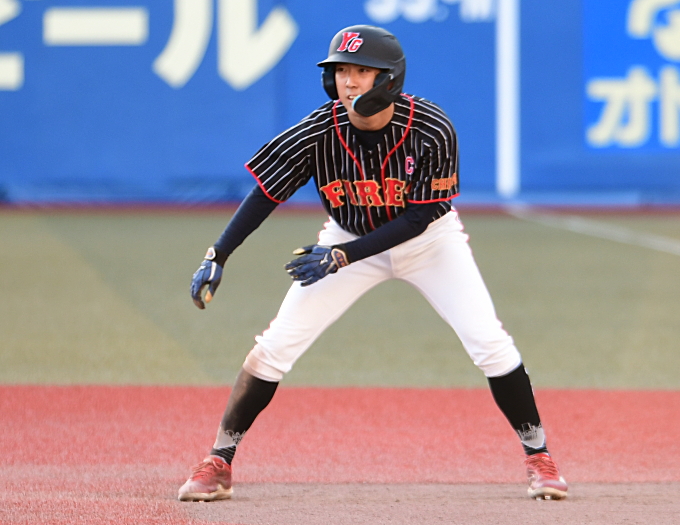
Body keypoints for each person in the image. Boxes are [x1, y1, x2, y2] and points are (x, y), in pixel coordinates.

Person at [179, 24, 568, 502]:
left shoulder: (430, 128)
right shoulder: (319, 131)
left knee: (489, 341)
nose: (348, 81)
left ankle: (539, 456)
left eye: (361, 71)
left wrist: (341, 257)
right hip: (347, 237)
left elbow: (420, 217)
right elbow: (265, 193)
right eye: (341, 70)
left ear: (389, 78)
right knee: (276, 345)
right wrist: (218, 253)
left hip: (428, 243)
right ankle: (219, 461)